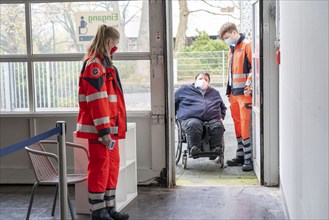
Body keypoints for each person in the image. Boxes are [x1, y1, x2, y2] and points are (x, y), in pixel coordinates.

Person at [76, 25, 129, 220]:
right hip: (101, 131)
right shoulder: (95, 66)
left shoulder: (105, 65)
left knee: (111, 166)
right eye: (115, 44)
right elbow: (97, 101)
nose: (116, 48)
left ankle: (109, 207)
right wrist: (104, 131)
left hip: (110, 130)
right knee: (99, 168)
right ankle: (98, 211)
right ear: (109, 43)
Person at [218, 22, 253, 171]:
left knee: (245, 125)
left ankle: (248, 158)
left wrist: (249, 86)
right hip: (234, 94)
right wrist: (228, 91)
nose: (227, 40)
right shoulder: (231, 50)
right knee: (238, 125)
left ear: (234, 32)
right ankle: (240, 155)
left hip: (244, 95)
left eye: (227, 37)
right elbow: (231, 74)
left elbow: (254, 69)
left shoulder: (247, 46)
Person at [175, 72, 226, 157]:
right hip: (190, 118)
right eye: (200, 78)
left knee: (218, 126)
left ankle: (215, 149)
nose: (203, 81)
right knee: (194, 124)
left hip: (212, 118)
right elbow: (173, 102)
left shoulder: (214, 92)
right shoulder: (184, 90)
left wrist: (221, 117)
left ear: (209, 82)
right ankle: (194, 149)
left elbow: (222, 107)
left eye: (206, 80)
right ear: (195, 80)